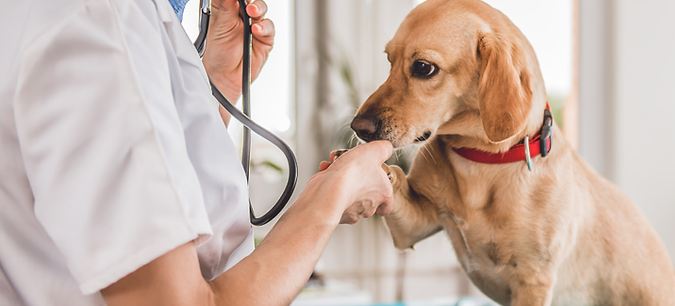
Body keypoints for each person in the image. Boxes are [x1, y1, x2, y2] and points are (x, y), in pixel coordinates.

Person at [0, 0, 394, 305]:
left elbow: (120, 188)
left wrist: (216, 89)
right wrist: (330, 196)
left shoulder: (126, 21)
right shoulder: (101, 21)